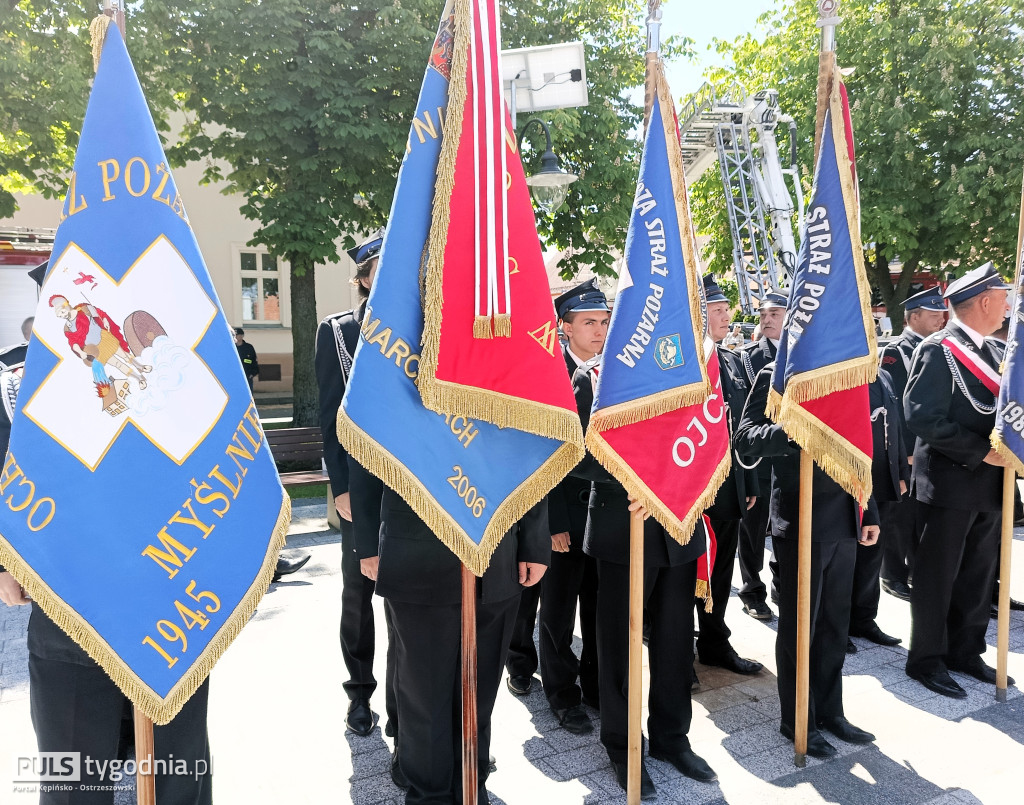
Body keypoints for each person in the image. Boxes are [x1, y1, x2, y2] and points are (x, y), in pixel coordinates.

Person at [0, 351, 213, 805]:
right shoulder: (20, 379)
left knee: (180, 770)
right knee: (74, 775)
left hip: (169, 600)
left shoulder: (176, 362)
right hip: (70, 600)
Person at [577, 366, 718, 797]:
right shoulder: (596, 378)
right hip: (626, 531)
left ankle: (672, 738)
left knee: (676, 645)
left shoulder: (687, 374)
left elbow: (709, 440)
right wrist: (632, 475)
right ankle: (623, 747)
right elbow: (574, 453)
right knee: (619, 648)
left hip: (679, 526)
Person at [363, 489, 548, 804]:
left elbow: (531, 452)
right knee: (425, 694)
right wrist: (367, 540)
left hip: (496, 552)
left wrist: (535, 541)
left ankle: (472, 786)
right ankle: (430, 795)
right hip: (417, 549)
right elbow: (364, 451)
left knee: (480, 692)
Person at [736, 364, 879, 759]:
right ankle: (797, 716)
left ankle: (831, 711)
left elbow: (861, 447)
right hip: (801, 518)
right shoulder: (779, 372)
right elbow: (745, 437)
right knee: (802, 626)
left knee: (834, 625)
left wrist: (870, 512)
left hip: (846, 517)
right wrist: (797, 433)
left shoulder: (846, 368)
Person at [903, 263, 1015, 699]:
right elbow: (921, 416)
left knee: (978, 575)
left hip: (989, 484)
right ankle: (926, 659)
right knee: (938, 576)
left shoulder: (993, 351)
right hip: (949, 484)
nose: (1008, 306)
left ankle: (966, 650)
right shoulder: (939, 348)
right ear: (984, 301)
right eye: (1004, 298)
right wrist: (977, 450)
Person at [315, 228, 396, 738]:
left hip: (412, 488)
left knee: (408, 598)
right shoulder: (339, 332)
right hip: (358, 491)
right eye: (378, 269)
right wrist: (340, 487)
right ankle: (360, 694)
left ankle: (405, 700)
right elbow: (328, 418)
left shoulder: (420, 326)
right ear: (363, 278)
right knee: (359, 595)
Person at [522, 279, 609, 735]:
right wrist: (552, 521)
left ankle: (594, 684)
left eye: (603, 322)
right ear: (565, 327)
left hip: (605, 515)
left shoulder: (616, 369)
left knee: (597, 606)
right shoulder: (547, 370)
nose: (599, 331)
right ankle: (561, 693)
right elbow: (544, 453)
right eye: (589, 322)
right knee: (557, 611)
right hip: (563, 518)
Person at [696, 275, 762, 677]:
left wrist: (749, 483)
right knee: (684, 576)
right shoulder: (680, 359)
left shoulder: (734, 361)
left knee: (720, 574)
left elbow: (742, 429)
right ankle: (678, 650)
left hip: (728, 488)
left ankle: (715, 642)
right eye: (717, 310)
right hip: (689, 492)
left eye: (725, 309)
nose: (726, 315)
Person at [876, 285, 947, 601]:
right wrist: (903, 452)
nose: (939, 319)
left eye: (940, 313)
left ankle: (915, 571)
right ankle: (892, 574)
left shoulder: (937, 347)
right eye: (933, 314)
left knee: (919, 517)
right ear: (913, 316)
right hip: (907, 451)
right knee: (899, 518)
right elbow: (897, 407)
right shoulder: (897, 351)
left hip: (929, 449)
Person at [736, 291, 788, 620]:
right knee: (753, 528)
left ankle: (783, 587)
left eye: (774, 313)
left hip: (790, 459)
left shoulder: (805, 356)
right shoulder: (747, 357)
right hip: (758, 457)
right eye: (763, 314)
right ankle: (752, 589)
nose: (766, 319)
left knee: (784, 529)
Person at [848, 369, 907, 650]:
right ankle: (838, 623)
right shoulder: (843, 371)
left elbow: (895, 424)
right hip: (853, 479)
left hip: (882, 478)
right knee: (848, 557)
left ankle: (864, 617)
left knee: (872, 557)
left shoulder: (883, 374)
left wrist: (901, 470)